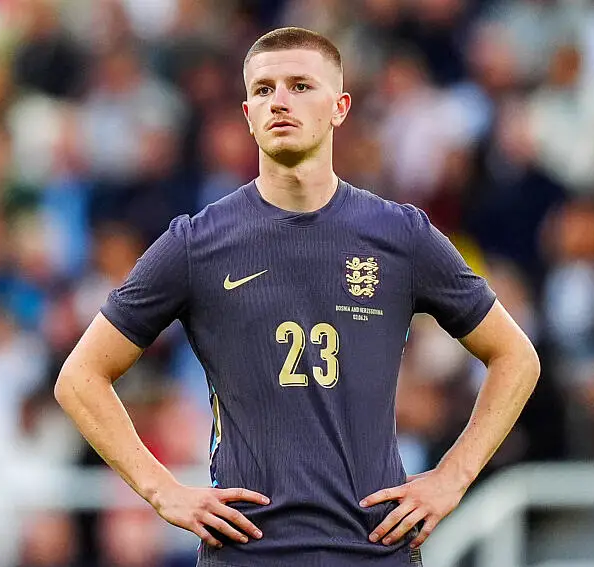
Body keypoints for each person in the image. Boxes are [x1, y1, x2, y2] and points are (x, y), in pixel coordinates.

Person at [55, 27, 541, 567]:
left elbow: (515, 356)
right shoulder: (197, 243)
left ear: (340, 107)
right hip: (248, 554)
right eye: (264, 90)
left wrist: (453, 477)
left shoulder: (400, 235)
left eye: (300, 85)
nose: (279, 101)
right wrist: (161, 490)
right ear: (247, 114)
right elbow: (80, 377)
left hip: (373, 551)